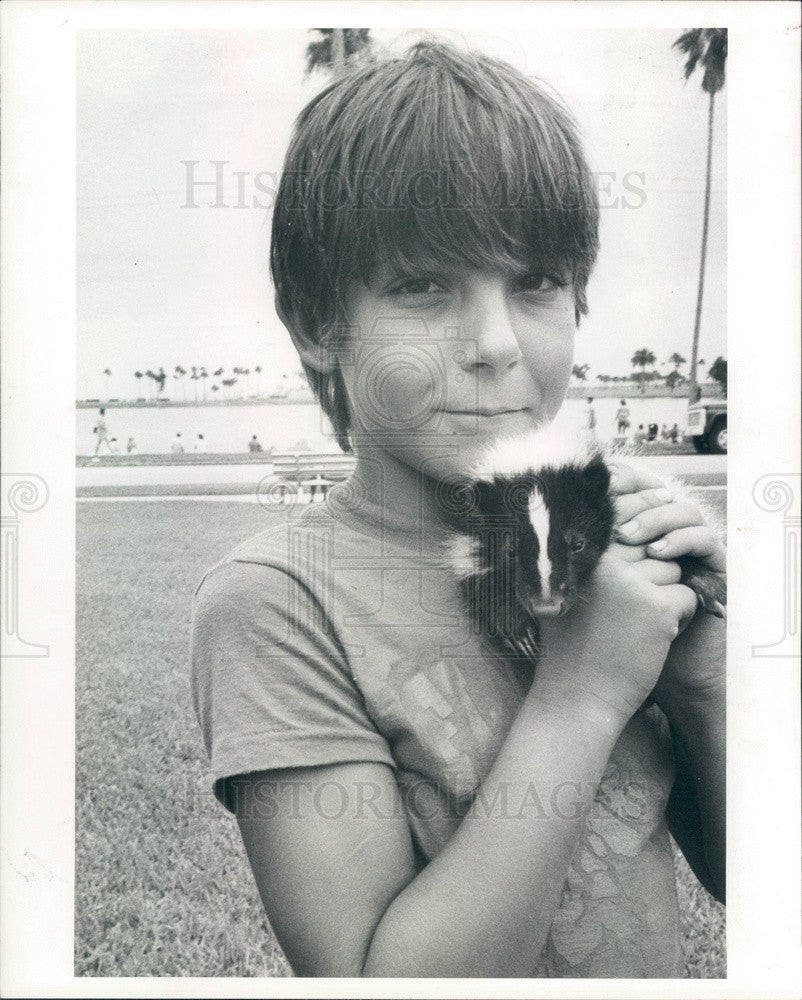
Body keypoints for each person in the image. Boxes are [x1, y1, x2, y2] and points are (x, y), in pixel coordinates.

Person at [191, 43, 725, 979]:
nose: (495, 343)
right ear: (321, 323)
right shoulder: (279, 604)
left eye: (536, 283)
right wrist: (585, 693)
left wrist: (701, 676)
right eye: (424, 287)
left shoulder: (602, 557)